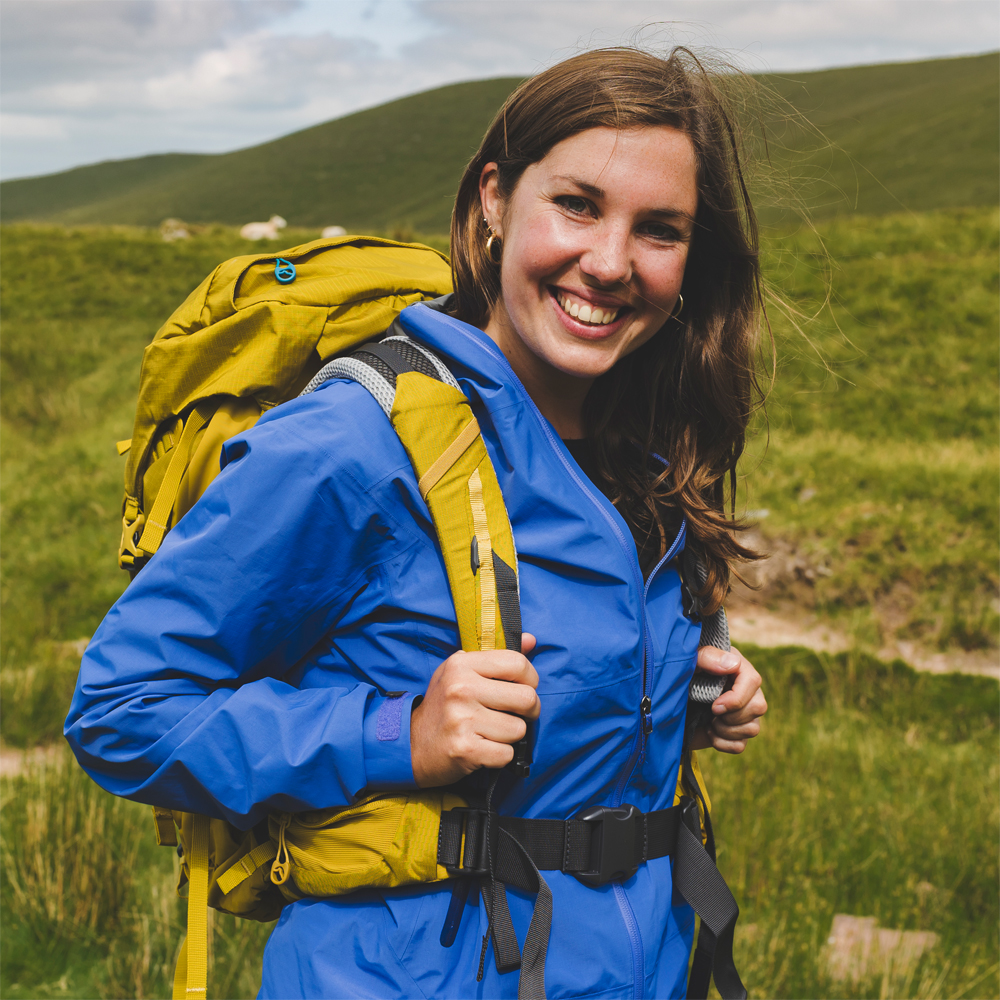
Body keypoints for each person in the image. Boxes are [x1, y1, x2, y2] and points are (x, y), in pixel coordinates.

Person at [66, 46, 768, 999]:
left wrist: (673, 695)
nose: (609, 262)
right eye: (577, 204)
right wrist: (401, 734)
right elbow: (123, 709)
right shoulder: (353, 441)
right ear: (494, 199)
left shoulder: (648, 449)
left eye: (660, 230)